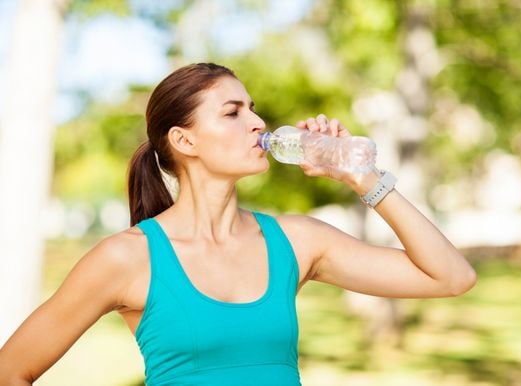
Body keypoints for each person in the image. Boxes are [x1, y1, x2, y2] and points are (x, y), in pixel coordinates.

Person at [0, 63, 476, 385]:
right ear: (184, 140)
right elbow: (11, 370)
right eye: (233, 112)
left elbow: (451, 277)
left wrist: (361, 175)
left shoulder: (296, 240)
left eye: (252, 107)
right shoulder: (127, 258)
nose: (258, 122)